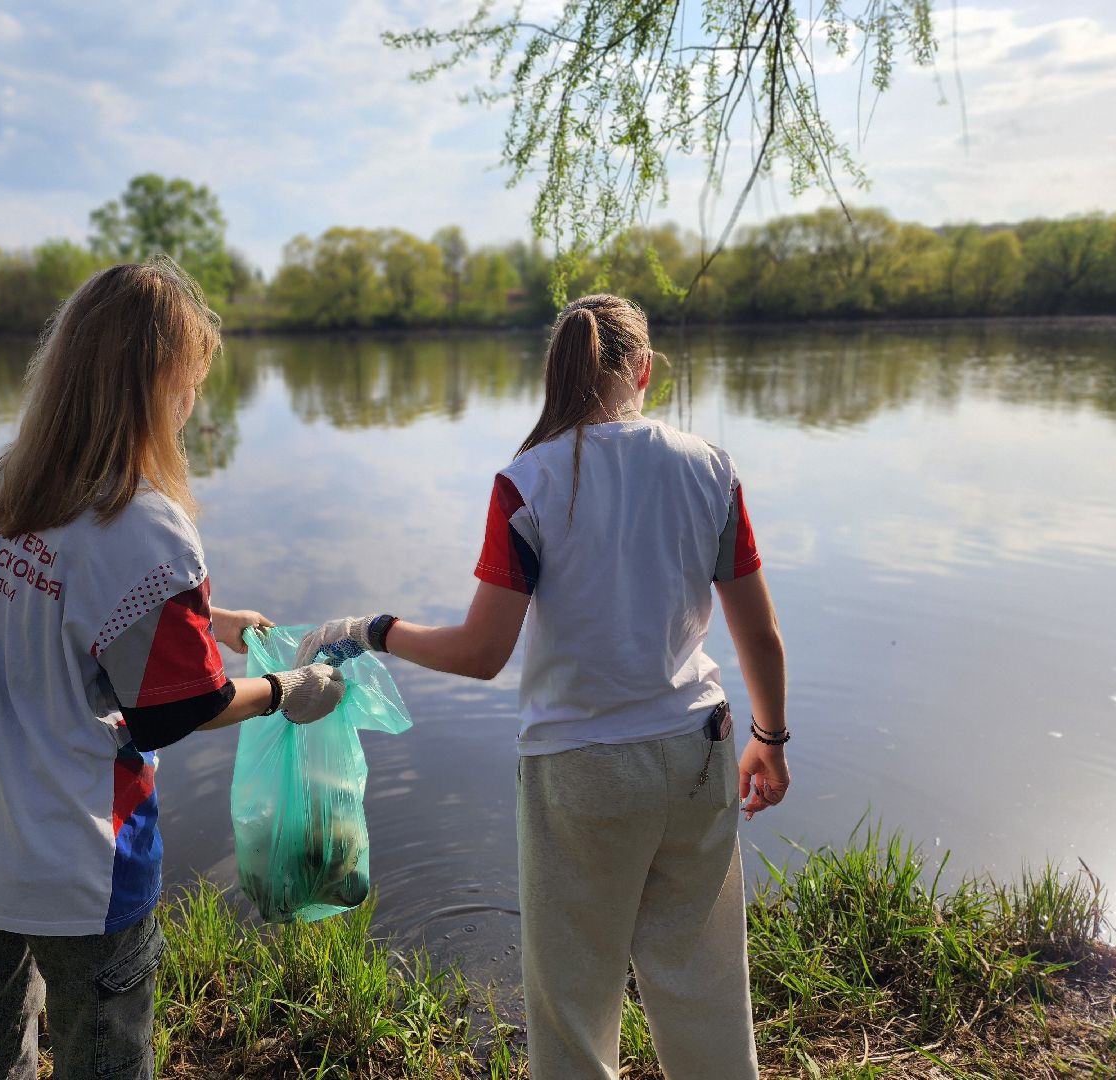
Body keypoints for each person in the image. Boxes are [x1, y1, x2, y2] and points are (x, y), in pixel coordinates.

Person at [296, 293, 789, 1080]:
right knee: (705, 987)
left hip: (582, 771)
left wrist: (373, 629)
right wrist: (770, 739)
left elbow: (481, 652)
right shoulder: (711, 468)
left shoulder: (528, 481)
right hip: (700, 751)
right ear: (645, 370)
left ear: (558, 371)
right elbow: (759, 634)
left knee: (573, 1005)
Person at [0, 259, 345, 1080]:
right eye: (191, 379)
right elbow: (179, 708)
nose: (194, 400)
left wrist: (210, 621)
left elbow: (60, 609)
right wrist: (287, 691)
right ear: (156, 384)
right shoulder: (144, 524)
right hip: (78, 856)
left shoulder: (12, 483)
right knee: (105, 1051)